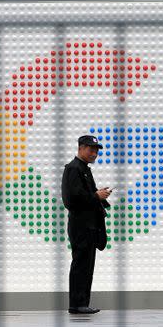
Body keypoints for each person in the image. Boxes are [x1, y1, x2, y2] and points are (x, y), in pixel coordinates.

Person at [61, 134, 112, 314]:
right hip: (80, 226)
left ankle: (82, 303)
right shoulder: (73, 169)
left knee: (87, 266)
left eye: (96, 151)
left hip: (90, 226)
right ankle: (76, 304)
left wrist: (99, 196)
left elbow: (85, 195)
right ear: (80, 148)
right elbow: (71, 199)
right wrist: (95, 196)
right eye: (91, 149)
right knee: (81, 264)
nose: (94, 153)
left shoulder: (84, 169)